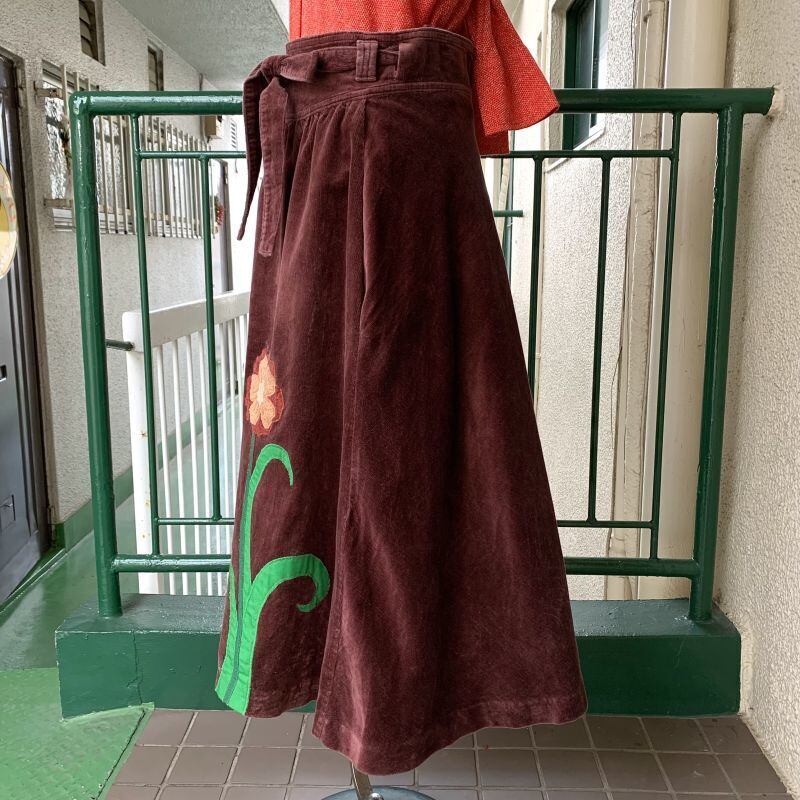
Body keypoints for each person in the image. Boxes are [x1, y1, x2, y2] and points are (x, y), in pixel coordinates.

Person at [215, 1, 587, 775]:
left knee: (407, 433)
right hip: (364, 127)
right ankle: (378, 705)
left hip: (388, 131)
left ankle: (383, 711)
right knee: (373, 428)